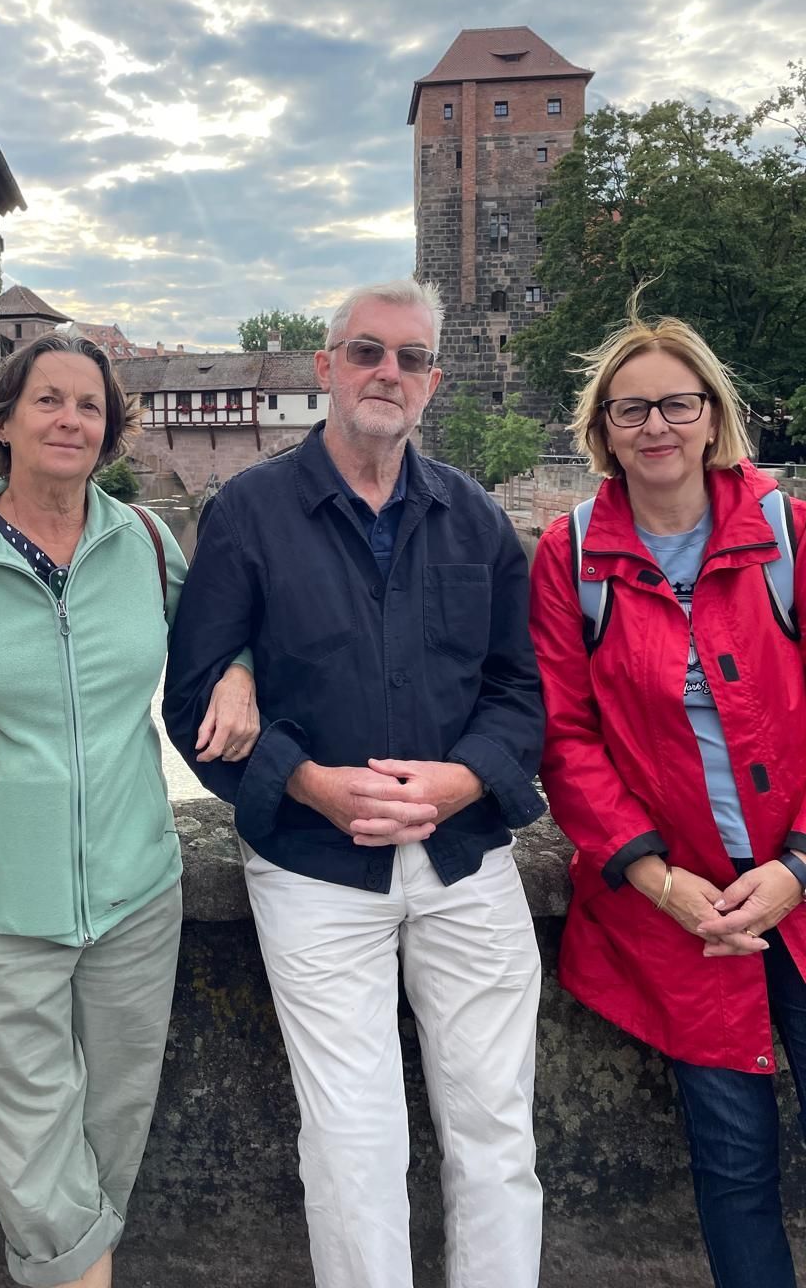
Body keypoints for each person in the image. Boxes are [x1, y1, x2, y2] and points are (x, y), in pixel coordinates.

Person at [163, 278, 546, 1288]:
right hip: (315, 865)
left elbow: (520, 693)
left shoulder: (475, 520)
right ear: (326, 366)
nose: (389, 372)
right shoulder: (247, 513)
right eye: (368, 351)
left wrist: (465, 780)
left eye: (411, 358)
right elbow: (192, 699)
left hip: (465, 859)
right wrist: (308, 785)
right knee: (352, 1141)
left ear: (433, 383)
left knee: (498, 1131)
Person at [0, 332, 259, 1288]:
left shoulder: (146, 543)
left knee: (115, 1119)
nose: (69, 419)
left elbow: (219, 636)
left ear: (109, 430)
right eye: (47, 400)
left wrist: (240, 673)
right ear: (3, 422)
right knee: (27, 1131)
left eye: (89, 406)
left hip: (138, 890)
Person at [530, 312, 806, 1288]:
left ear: (712, 417)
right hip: (680, 905)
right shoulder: (571, 557)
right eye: (631, 409)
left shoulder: (787, 535)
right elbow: (565, 739)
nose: (656, 425)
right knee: (733, 1165)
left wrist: (797, 865)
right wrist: (661, 883)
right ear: (603, 430)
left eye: (677, 404)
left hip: (799, 884)